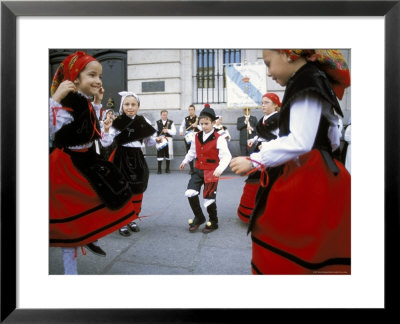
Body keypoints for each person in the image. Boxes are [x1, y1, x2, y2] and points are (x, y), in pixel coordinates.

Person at [230, 49, 351, 275]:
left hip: (308, 174)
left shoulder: (306, 82)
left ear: (287, 54)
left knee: (285, 239)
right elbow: (333, 136)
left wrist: (255, 159)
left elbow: (300, 140)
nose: (269, 73)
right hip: (320, 169)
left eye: (268, 63)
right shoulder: (313, 79)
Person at [49, 51, 137, 274]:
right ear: (74, 78)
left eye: (100, 75)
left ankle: (89, 233)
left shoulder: (83, 101)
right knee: (69, 219)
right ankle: (71, 270)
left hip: (87, 159)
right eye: (92, 75)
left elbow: (92, 126)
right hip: (67, 164)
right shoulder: (65, 103)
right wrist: (55, 99)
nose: (98, 80)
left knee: (111, 191)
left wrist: (97, 101)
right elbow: (48, 129)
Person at [106, 91, 157, 236]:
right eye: (127, 104)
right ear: (122, 106)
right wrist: (106, 129)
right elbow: (107, 142)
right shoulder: (117, 122)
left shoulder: (143, 122)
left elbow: (149, 142)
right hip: (121, 157)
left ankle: (132, 218)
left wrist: (156, 139)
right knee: (123, 189)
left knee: (137, 188)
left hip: (137, 157)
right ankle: (121, 221)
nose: (130, 107)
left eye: (133, 104)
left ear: (138, 106)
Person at [179, 105, 232, 233]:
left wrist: (220, 168)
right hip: (198, 170)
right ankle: (199, 217)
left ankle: (213, 221)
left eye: (207, 123)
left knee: (209, 198)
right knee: (190, 192)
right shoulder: (196, 136)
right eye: (201, 124)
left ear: (213, 123)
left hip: (211, 172)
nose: (204, 126)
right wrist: (185, 161)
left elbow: (226, 156)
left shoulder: (219, 138)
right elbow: (192, 152)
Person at [237, 92, 280, 224]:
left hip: (269, 156)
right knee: (254, 182)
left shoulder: (280, 119)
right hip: (258, 153)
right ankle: (249, 212)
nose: (263, 106)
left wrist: (264, 145)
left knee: (267, 183)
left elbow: (281, 139)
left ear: (275, 105)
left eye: (266, 103)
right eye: (262, 103)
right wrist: (253, 139)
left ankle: (265, 215)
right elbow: (260, 134)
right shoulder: (263, 119)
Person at [179, 104, 200, 174]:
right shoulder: (186, 119)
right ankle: (191, 169)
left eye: (192, 110)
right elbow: (182, 126)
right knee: (189, 151)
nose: (190, 111)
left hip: (196, 136)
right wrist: (181, 131)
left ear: (194, 110)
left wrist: (196, 125)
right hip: (188, 137)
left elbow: (201, 128)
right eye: (189, 110)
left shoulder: (198, 118)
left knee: (197, 152)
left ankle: (197, 168)